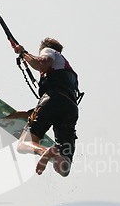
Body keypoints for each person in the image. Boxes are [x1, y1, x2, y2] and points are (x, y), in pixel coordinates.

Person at [11, 38, 80, 177]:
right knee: (64, 167)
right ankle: (59, 155)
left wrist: (23, 53)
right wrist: (26, 114)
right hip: (70, 109)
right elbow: (58, 103)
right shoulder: (67, 70)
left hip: (53, 99)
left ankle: (45, 151)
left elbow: (41, 63)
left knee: (23, 144)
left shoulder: (49, 51)